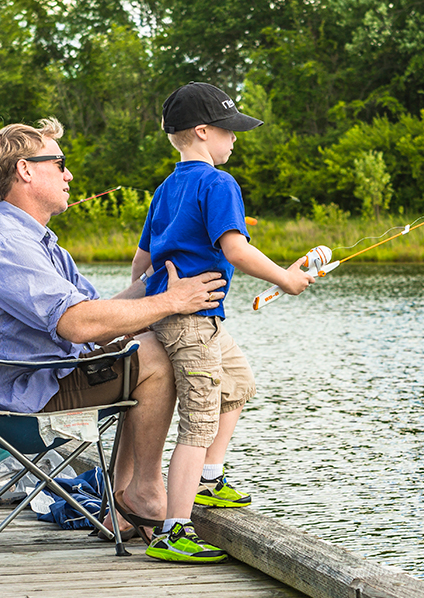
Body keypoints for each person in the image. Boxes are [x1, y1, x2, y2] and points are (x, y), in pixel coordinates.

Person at [0, 117, 227, 547]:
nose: (68, 175)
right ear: (25, 170)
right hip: (23, 401)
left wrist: (157, 282)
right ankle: (141, 493)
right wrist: (172, 302)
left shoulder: (35, 241)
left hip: (26, 383)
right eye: (59, 163)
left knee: (136, 348)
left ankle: (126, 500)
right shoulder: (6, 245)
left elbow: (99, 316)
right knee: (155, 356)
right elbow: (80, 324)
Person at [131, 82, 314, 563]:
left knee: (238, 382)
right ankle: (174, 529)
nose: (235, 139)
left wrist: (146, 310)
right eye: (229, 131)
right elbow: (235, 248)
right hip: (192, 321)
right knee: (197, 423)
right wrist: (285, 278)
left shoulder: (166, 188)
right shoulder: (218, 184)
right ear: (202, 132)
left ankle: (210, 479)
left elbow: (142, 262)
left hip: (189, 319)